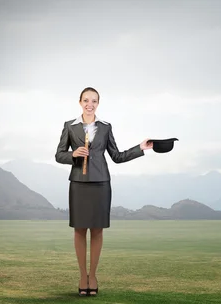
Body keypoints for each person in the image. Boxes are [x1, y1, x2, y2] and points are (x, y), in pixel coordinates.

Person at [55, 87, 153, 297]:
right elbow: (58, 155)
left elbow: (116, 156)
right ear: (79, 102)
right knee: (79, 230)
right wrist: (74, 154)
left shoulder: (106, 127)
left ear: (98, 103)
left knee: (97, 230)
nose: (90, 104)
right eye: (86, 100)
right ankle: (82, 277)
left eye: (94, 101)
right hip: (78, 184)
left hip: (101, 183)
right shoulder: (69, 127)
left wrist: (140, 148)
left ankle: (93, 276)